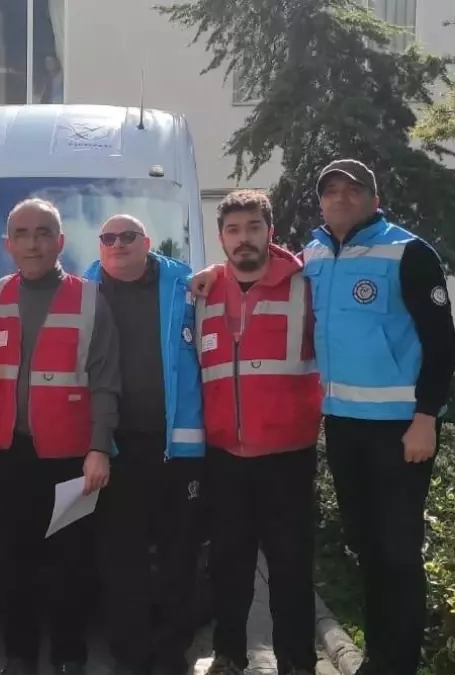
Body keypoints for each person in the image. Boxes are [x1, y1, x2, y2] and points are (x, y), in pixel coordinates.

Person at [192, 160, 455, 675]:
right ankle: (377, 659)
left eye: (352, 189)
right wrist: (211, 272)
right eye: (330, 190)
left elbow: (442, 343)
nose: (340, 198)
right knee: (366, 547)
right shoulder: (312, 259)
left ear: (374, 198)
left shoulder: (407, 252)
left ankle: (393, 664)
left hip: (401, 430)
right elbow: (260, 267)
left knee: (398, 553)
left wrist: (426, 416)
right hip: (341, 425)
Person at [0, 198, 120, 675]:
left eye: (43, 232)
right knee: (18, 564)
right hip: (11, 456)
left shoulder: (91, 298)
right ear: (7, 243)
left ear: (60, 241)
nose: (33, 243)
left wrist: (99, 447)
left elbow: (105, 381)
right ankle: (20, 656)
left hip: (74, 458)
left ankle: (71, 657)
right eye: (23, 234)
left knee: (71, 564)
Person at [192, 191, 322, 675]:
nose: (243, 238)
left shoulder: (304, 285)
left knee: (291, 568)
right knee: (229, 565)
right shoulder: (201, 291)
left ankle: (297, 661)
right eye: (232, 229)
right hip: (224, 454)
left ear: (270, 230)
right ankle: (229, 653)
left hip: (288, 454)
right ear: (221, 236)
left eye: (252, 227)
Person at [82, 215, 206, 675]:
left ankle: (173, 654)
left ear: (147, 242)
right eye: (108, 238)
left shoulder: (187, 285)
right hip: (114, 450)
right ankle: (129, 657)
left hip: (179, 452)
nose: (117, 245)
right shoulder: (82, 290)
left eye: (127, 237)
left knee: (180, 560)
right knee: (121, 563)